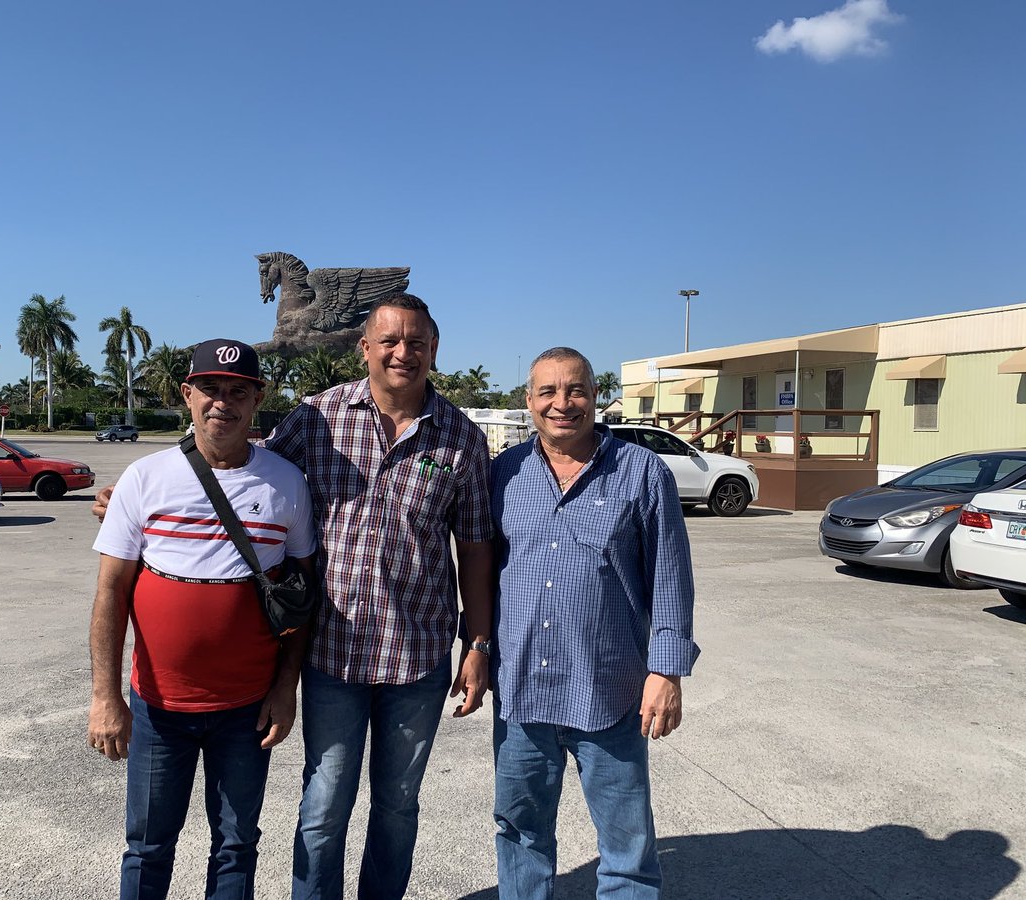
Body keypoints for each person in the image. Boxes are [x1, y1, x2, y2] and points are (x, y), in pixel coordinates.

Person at [93, 295, 494, 900]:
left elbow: (476, 547)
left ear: (434, 350)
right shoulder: (318, 418)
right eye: (389, 340)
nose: (402, 352)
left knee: (397, 806)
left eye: (416, 342)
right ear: (365, 349)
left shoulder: (461, 439)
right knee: (325, 804)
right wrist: (139, 489)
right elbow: (235, 470)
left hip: (418, 655)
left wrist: (478, 640)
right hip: (333, 654)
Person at [87, 338, 317, 900]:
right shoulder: (145, 478)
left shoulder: (286, 482)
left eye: (238, 391)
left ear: (257, 400)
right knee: (147, 845)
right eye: (210, 389)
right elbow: (111, 593)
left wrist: (287, 687)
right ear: (187, 394)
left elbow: (302, 596)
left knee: (236, 845)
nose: (223, 402)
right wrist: (105, 695)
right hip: (159, 705)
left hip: (245, 708)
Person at [489, 347, 698, 899]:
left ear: (595, 396)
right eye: (548, 392)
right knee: (520, 833)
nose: (563, 404)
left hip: (609, 689)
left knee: (627, 849)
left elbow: (671, 579)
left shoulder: (643, 473)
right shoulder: (502, 476)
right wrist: (476, 649)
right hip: (521, 691)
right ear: (529, 401)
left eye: (576, 390)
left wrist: (667, 672)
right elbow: (481, 572)